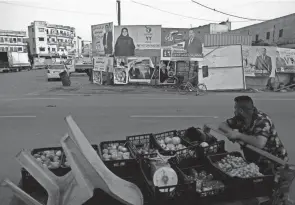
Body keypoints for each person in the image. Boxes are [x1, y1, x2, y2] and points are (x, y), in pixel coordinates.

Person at [219, 95, 288, 172]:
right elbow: (222, 125)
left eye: (235, 108)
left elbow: (259, 143)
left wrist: (238, 135)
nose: (234, 110)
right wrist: (231, 132)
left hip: (274, 162)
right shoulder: (240, 119)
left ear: (241, 111)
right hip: (256, 161)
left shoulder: (262, 120)